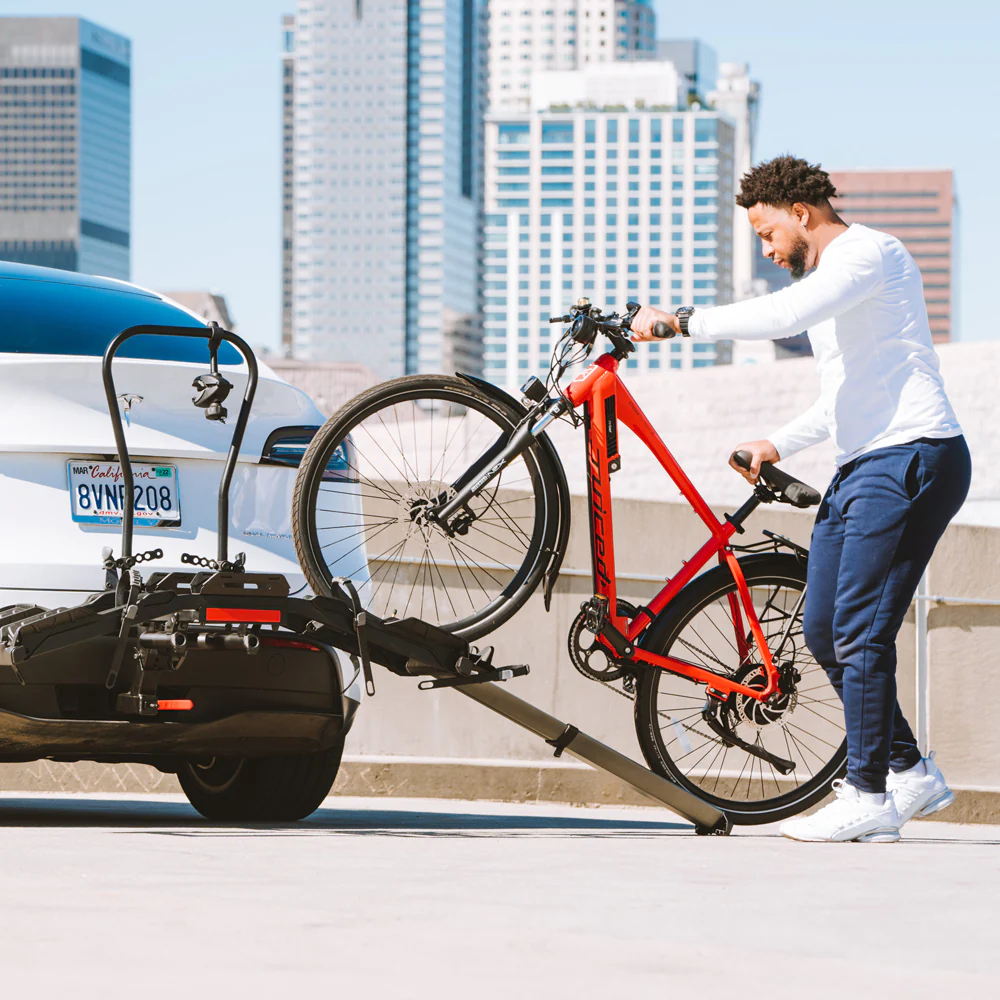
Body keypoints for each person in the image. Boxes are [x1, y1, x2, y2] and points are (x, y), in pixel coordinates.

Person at [630, 155, 971, 843]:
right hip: (863, 462)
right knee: (821, 629)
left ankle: (869, 794)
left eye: (766, 233)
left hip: (911, 454)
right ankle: (910, 774)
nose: (765, 248)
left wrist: (681, 323)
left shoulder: (868, 253)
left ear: (802, 213)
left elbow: (782, 310)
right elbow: (838, 397)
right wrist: (777, 444)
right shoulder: (833, 287)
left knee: (859, 628)